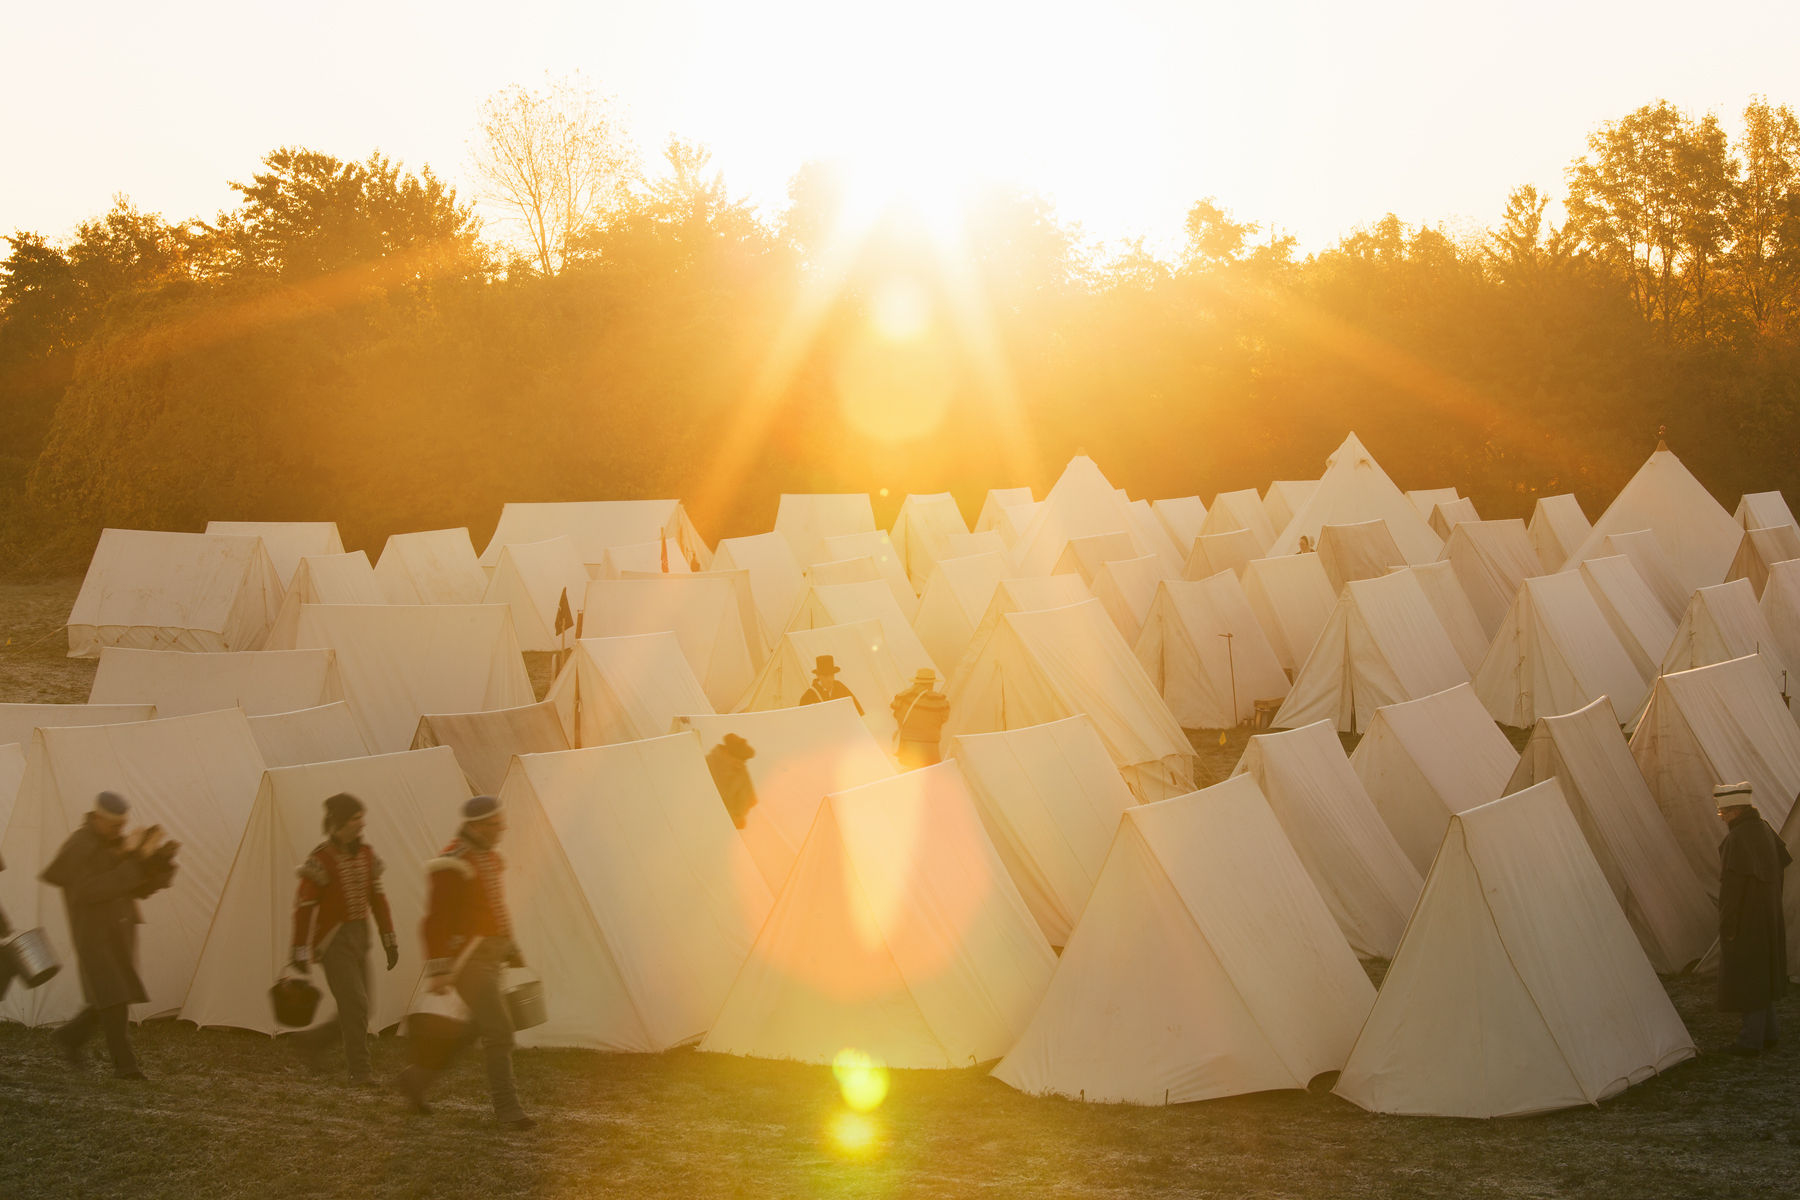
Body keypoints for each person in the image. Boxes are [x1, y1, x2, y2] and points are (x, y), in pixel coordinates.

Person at [398, 794, 533, 1129]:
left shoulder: (488, 857)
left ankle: (416, 1080)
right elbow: (434, 921)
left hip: (491, 956)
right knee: (500, 1033)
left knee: (471, 1031)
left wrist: (510, 947)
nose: (502, 830)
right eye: (495, 825)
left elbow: (494, 907)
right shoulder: (452, 862)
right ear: (476, 826)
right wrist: (440, 969)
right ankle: (508, 1110)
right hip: (467, 961)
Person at [41, 791, 178, 1080]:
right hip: (93, 933)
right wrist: (133, 866)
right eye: (115, 825)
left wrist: (157, 868)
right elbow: (88, 891)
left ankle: (70, 1036)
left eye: (122, 825)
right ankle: (126, 1067)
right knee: (114, 996)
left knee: (112, 994)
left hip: (119, 930)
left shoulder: (113, 843)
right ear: (99, 817)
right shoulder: (79, 845)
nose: (120, 831)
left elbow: (134, 889)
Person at [288, 792, 399, 1084]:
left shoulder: (366, 854)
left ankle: (312, 1042)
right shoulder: (320, 859)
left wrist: (390, 940)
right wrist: (299, 950)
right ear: (339, 822)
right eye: (355, 818)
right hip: (332, 942)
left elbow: (378, 900)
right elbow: (304, 909)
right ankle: (360, 1071)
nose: (361, 824)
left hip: (360, 937)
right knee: (357, 1005)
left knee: (362, 1006)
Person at [1715, 781, 1791, 1056]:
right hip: (1768, 914)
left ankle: (1750, 1041)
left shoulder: (1737, 840)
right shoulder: (1765, 830)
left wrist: (1728, 924)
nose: (1722, 818)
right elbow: (1782, 863)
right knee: (1763, 973)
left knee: (1749, 977)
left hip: (1746, 919)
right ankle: (1768, 1034)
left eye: (1722, 814)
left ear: (1734, 811)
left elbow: (1731, 890)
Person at [890, 669, 950, 769]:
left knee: (910, 772)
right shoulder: (939, 701)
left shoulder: (902, 697)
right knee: (930, 772)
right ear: (931, 683)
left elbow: (896, 714)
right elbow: (944, 718)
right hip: (930, 746)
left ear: (916, 682)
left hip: (908, 743)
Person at [705, 735, 758, 829]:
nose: (743, 762)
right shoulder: (721, 767)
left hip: (725, 822)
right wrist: (736, 819)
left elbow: (751, 798)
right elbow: (717, 803)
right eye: (743, 759)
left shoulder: (737, 768)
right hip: (715, 823)